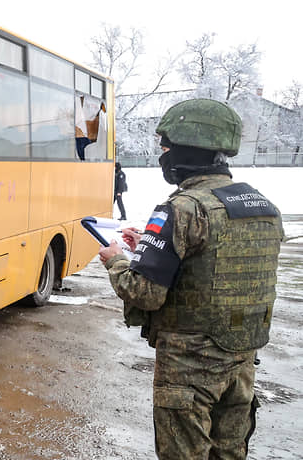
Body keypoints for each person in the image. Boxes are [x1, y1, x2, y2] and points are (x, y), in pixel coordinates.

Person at [97, 98, 284, 459]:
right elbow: (215, 262)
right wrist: (150, 249)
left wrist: (116, 260)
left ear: (184, 149)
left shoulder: (180, 209)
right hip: (242, 363)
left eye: (165, 147)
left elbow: (143, 292)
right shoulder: (263, 205)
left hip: (189, 370)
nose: (162, 156)